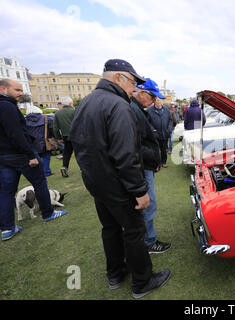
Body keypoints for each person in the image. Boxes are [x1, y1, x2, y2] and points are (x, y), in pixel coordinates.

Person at [69, 59, 170, 299]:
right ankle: (142, 282)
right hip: (116, 183)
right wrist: (138, 190)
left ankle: (115, 274)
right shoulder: (118, 105)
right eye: (132, 82)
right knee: (134, 230)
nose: (134, 88)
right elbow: (126, 153)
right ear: (117, 78)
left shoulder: (87, 101)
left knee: (110, 228)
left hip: (96, 181)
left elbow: (76, 142)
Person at [0, 79, 68, 241]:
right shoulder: (7, 106)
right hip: (20, 155)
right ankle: (47, 213)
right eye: (17, 90)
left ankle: (7, 228)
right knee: (39, 183)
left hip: (4, 157)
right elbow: (16, 134)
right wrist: (30, 155)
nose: (21, 93)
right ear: (3, 89)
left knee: (6, 192)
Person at [130, 79, 171, 254]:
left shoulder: (137, 109)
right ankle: (149, 242)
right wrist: (151, 158)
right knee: (148, 204)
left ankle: (146, 239)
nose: (154, 101)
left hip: (145, 164)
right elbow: (134, 144)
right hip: (142, 166)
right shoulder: (133, 109)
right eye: (152, 97)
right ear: (141, 92)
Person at [145, 81, 171, 169]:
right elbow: (147, 122)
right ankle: (157, 164)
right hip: (155, 134)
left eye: (160, 100)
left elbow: (170, 120)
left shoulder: (166, 110)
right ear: (154, 101)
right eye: (157, 100)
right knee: (156, 150)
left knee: (164, 150)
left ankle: (164, 162)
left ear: (162, 101)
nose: (158, 102)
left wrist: (169, 129)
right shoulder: (149, 110)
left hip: (165, 133)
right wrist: (152, 129)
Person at [25, 105, 54, 176]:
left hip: (31, 143)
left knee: (35, 158)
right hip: (44, 141)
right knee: (46, 156)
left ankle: (38, 172)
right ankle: (46, 171)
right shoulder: (46, 119)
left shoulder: (24, 121)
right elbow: (52, 129)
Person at [53, 96, 75, 178]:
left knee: (67, 153)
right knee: (80, 153)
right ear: (70, 103)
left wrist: (58, 138)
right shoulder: (74, 111)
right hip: (77, 135)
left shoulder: (57, 113)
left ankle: (64, 167)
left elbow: (55, 128)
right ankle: (83, 168)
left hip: (65, 136)